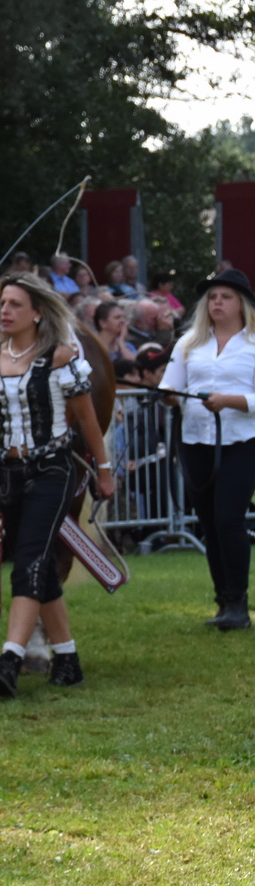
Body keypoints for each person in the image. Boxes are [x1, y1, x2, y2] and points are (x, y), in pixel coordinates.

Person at [0, 275, 114, 693]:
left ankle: (10, 658)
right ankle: (67, 658)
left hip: (53, 470)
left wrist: (103, 470)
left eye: (16, 304)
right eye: (2, 302)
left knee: (30, 563)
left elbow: (87, 420)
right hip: (8, 475)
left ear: (37, 313)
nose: (5, 310)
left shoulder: (61, 358)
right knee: (39, 568)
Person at [160, 269, 255, 629]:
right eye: (212, 297)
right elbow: (171, 385)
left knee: (230, 518)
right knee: (211, 525)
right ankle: (223, 601)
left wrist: (230, 400)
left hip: (242, 442)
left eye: (225, 297)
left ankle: (238, 603)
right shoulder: (189, 343)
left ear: (241, 304)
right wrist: (169, 396)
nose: (217, 302)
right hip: (196, 440)